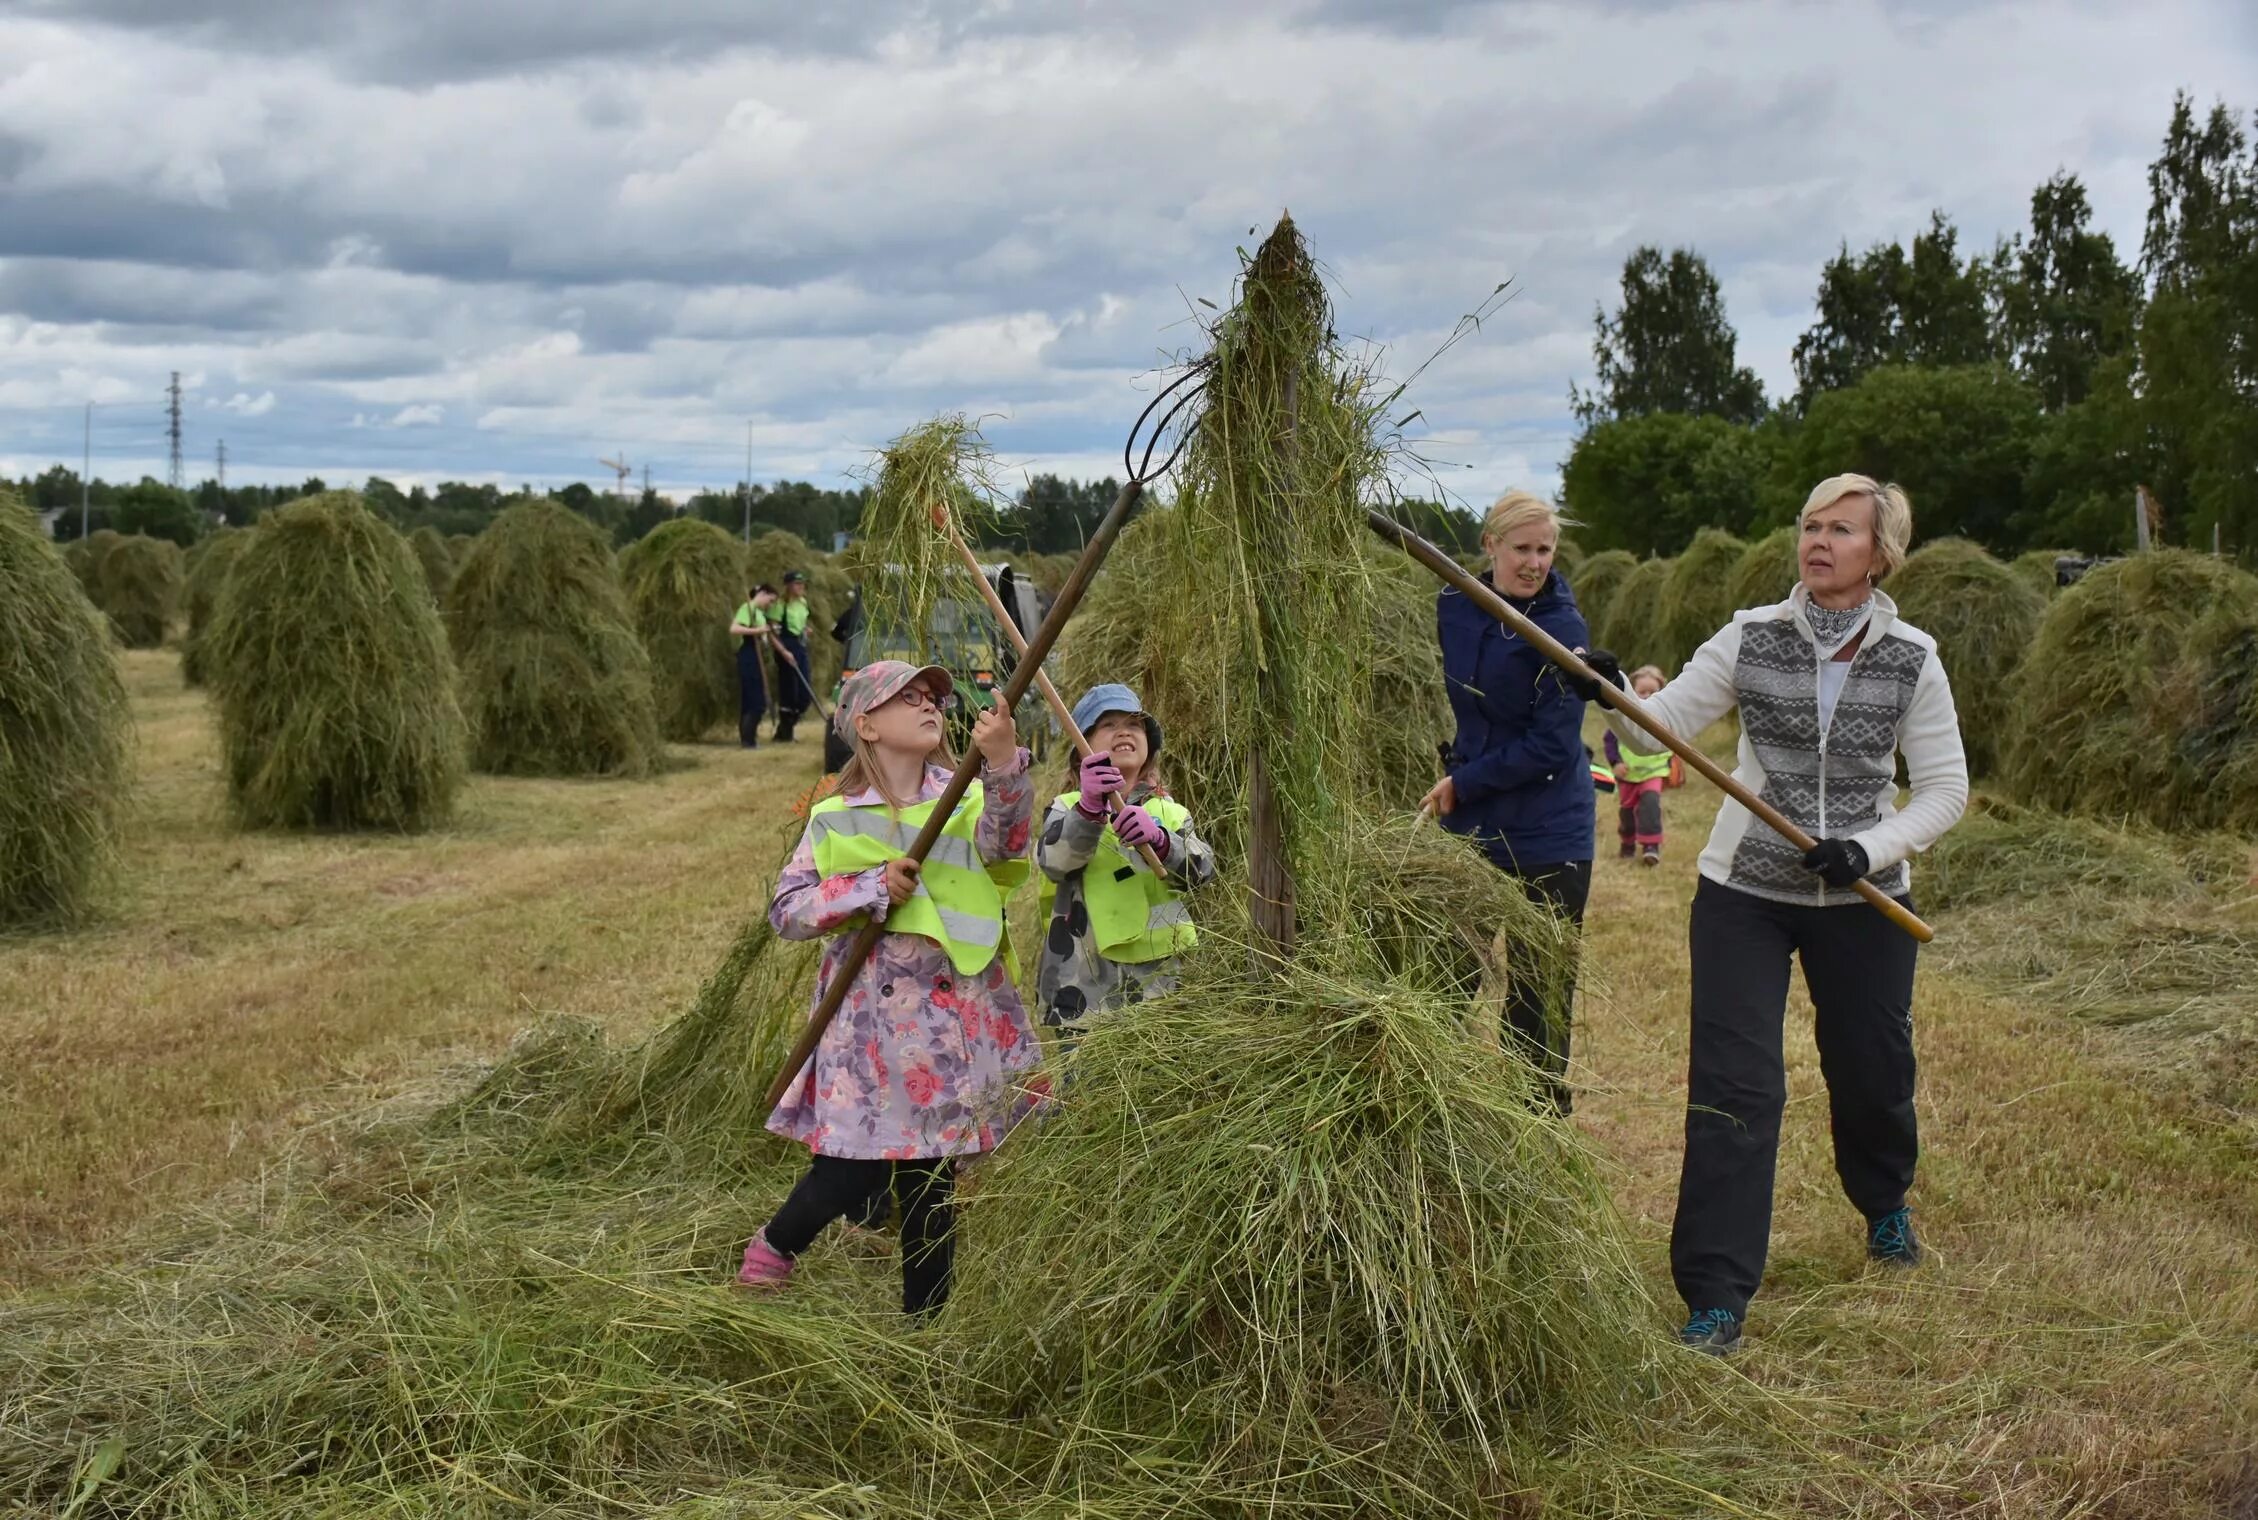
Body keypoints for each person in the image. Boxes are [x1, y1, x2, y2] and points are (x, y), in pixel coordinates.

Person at [1576, 475, 1968, 1356]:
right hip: (1744, 896)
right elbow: (1661, 728)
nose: (1817, 541)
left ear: (1882, 553)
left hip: (1863, 898)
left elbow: (1946, 790)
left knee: (1870, 1068)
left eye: (1841, 529)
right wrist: (1611, 693)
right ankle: (1716, 1294)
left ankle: (1884, 1205)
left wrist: (1870, 848)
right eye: (1809, 526)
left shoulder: (1913, 656)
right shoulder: (1753, 636)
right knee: (1735, 1088)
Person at [737, 661, 1040, 1318]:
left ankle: (924, 1319)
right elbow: (788, 911)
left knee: (932, 1175)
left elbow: (1007, 847)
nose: (929, 704)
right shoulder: (835, 817)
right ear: (866, 725)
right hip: (868, 1031)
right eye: (908, 698)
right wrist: (871, 886)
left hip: (949, 1024)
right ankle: (775, 1247)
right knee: (849, 1167)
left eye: (933, 697)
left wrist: (1005, 762)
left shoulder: (963, 798)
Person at [1420, 489, 1594, 1115]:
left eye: (1545, 549)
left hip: (1550, 833)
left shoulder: (1562, 630)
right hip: (1474, 824)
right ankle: (1432, 1116)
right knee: (1441, 975)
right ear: (1490, 544)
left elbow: (1551, 745)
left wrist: (1463, 783)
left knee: (1537, 995)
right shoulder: (1454, 603)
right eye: (1521, 548)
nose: (1534, 562)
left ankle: (1537, 1130)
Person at [1035, 684, 1217, 1045]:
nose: (1124, 731)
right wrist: (1088, 810)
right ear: (1081, 747)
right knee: (1086, 1096)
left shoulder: (1170, 813)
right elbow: (1054, 863)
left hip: (1162, 989)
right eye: (1108, 725)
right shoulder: (1067, 807)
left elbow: (1203, 873)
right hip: (1085, 996)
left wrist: (1163, 843)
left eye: (1135, 725)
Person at [1603, 665, 1672, 864]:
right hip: (1628, 773)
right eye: (1642, 692)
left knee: (1650, 804)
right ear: (1632, 692)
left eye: (1654, 692)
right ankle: (1627, 843)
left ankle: (1651, 846)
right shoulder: (1625, 718)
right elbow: (1610, 741)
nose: (1648, 696)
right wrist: (1615, 762)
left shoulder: (1664, 719)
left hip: (1654, 773)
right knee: (1627, 811)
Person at [729, 585, 780, 749]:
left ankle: (748, 737)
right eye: (770, 600)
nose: (770, 605)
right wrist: (757, 630)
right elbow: (734, 628)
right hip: (749, 655)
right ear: (762, 594)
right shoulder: (748, 608)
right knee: (755, 700)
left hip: (757, 656)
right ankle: (748, 739)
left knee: (753, 698)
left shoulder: (758, 613)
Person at [771, 570, 817, 743]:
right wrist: (783, 651)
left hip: (800, 646)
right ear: (788, 586)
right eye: (797, 584)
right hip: (786, 646)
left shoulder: (803, 602)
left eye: (802, 583)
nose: (801, 586)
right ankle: (785, 733)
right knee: (789, 691)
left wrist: (805, 630)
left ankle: (785, 728)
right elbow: (772, 632)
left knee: (805, 695)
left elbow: (801, 623)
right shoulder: (780, 605)